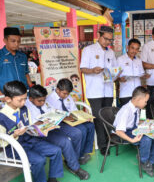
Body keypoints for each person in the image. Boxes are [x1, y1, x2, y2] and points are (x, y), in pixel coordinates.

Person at [0, 81, 68, 182]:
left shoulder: (24, 109)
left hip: (30, 139)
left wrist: (41, 129)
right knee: (39, 160)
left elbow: (30, 126)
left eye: (25, 99)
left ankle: (52, 181)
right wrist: (14, 136)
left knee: (56, 150)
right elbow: (1, 142)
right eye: (20, 100)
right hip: (14, 148)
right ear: (8, 99)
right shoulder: (1, 117)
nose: (23, 102)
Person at [26, 85, 90, 180]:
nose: (43, 102)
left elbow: (53, 111)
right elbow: (30, 124)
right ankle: (75, 168)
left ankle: (73, 163)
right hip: (39, 134)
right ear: (31, 99)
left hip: (51, 128)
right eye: (40, 101)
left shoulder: (44, 102)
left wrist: (62, 115)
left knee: (74, 135)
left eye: (44, 99)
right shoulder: (26, 106)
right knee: (65, 142)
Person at [80, 25, 117, 155]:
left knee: (108, 115)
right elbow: (83, 69)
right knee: (98, 117)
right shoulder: (88, 50)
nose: (108, 42)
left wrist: (115, 74)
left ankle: (108, 139)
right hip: (94, 91)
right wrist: (92, 70)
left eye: (110, 40)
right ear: (99, 36)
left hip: (108, 89)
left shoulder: (111, 52)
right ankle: (102, 145)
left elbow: (115, 69)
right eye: (106, 39)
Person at [113, 86, 154, 177]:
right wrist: (132, 140)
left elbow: (134, 122)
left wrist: (146, 123)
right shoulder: (126, 110)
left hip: (133, 129)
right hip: (125, 133)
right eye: (145, 101)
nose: (146, 103)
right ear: (138, 99)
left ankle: (150, 161)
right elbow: (119, 131)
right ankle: (143, 161)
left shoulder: (136, 107)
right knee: (146, 139)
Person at [46, 79, 95, 162]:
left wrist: (83, 117)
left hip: (71, 119)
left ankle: (83, 152)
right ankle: (76, 156)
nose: (66, 96)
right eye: (64, 93)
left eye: (68, 94)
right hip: (60, 122)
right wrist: (63, 118)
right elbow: (51, 116)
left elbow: (74, 110)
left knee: (90, 125)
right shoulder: (50, 99)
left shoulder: (67, 96)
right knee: (82, 129)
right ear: (57, 90)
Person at [0, 27, 33, 96]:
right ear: (5, 41)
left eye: (18, 41)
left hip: (24, 94)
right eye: (13, 41)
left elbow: (26, 74)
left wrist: (32, 88)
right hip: (7, 96)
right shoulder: (1, 55)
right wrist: (1, 95)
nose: (16, 44)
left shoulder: (23, 56)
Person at [117, 38, 148, 107]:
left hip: (138, 94)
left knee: (137, 115)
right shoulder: (120, 60)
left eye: (137, 49)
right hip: (125, 93)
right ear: (127, 47)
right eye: (132, 48)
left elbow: (141, 73)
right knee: (126, 115)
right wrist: (119, 79)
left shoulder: (139, 61)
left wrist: (144, 76)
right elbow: (115, 76)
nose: (134, 51)